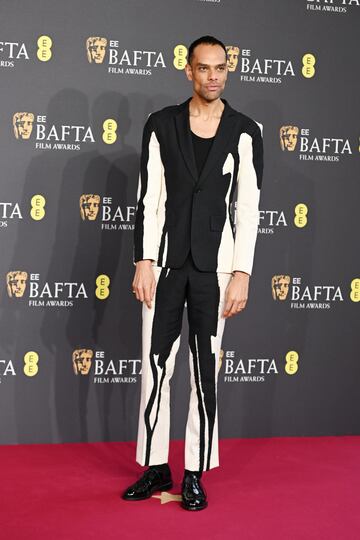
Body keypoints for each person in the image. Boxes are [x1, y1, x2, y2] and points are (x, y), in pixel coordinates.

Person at [122, 35, 264, 511]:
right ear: (189, 70)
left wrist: (242, 271)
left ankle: (195, 471)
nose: (213, 76)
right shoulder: (159, 124)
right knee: (156, 368)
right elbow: (147, 197)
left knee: (206, 372)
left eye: (221, 68)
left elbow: (249, 208)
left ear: (229, 70)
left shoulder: (246, 131)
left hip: (215, 272)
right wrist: (143, 259)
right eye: (204, 68)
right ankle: (156, 464)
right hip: (163, 267)